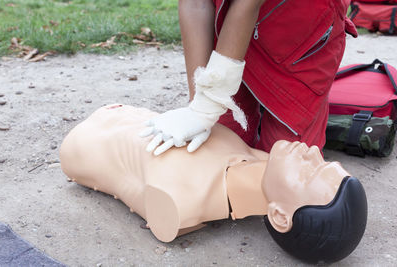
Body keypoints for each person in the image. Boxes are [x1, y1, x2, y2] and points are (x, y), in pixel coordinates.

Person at [60, 104, 367, 263]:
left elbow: (130, 185)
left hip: (83, 141)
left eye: (310, 172)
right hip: (123, 112)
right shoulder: (261, 162)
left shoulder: (182, 203)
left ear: (279, 216)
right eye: (325, 162)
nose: (313, 152)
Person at [139, 0, 358, 156]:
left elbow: (247, 3)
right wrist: (199, 106)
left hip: (299, 32)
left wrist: (209, 103)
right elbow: (195, 3)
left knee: (289, 173)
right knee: (213, 155)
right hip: (230, 31)